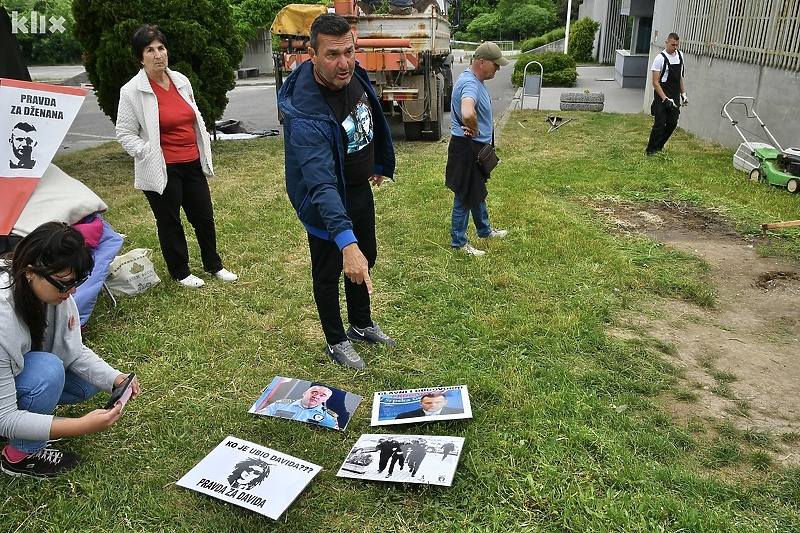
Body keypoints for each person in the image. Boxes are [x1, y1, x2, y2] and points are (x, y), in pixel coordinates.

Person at [279, 13, 397, 369]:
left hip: (358, 187)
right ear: (312, 54)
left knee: (366, 258)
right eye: (332, 55)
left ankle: (360, 323)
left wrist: (376, 163)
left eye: (349, 51)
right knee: (331, 271)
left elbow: (367, 113)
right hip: (324, 201)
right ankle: (335, 340)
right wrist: (345, 243)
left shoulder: (352, 72)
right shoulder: (307, 112)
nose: (343, 63)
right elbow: (322, 183)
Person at [0, 222, 141, 478]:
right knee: (48, 370)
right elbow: (5, 417)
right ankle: (19, 456)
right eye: (65, 284)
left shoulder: (50, 291)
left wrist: (114, 378)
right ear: (31, 271)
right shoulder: (2, 318)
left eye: (78, 281)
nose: (73, 291)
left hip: (13, 373)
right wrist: (79, 426)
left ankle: (32, 422)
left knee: (86, 382)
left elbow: (73, 350)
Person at [116, 24, 237, 288]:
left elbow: (192, 116)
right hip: (162, 167)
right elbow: (124, 133)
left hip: (191, 162)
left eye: (161, 48)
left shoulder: (180, 80)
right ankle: (181, 272)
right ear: (140, 57)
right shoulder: (132, 91)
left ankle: (213, 265)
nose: (158, 54)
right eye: (150, 50)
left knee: (203, 216)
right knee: (170, 222)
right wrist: (147, 150)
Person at [446, 41, 509, 257]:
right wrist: (472, 126)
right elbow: (467, 111)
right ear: (481, 62)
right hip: (466, 149)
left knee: (477, 192)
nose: (498, 69)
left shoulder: (473, 79)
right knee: (464, 195)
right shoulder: (470, 84)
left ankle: (484, 231)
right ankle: (459, 243)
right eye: (495, 64)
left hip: (472, 148)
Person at [646, 33, 687, 156]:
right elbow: (655, 82)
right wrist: (665, 99)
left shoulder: (680, 56)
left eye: (677, 45)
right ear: (666, 42)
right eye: (673, 45)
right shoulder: (660, 58)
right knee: (660, 124)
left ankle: (659, 146)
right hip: (662, 94)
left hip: (674, 93)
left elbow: (679, 77)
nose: (675, 47)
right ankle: (650, 150)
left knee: (672, 123)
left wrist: (683, 94)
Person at [258, 385, 339, 429]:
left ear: (325, 400)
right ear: (304, 393)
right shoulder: (280, 404)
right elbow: (259, 418)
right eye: (314, 392)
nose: (316, 396)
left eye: (322, 395)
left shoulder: (329, 417)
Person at [394, 391, 463, 419]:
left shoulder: (460, 412)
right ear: (420, 403)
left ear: (445, 402)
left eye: (438, 402)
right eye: (428, 403)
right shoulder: (404, 417)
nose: (433, 405)